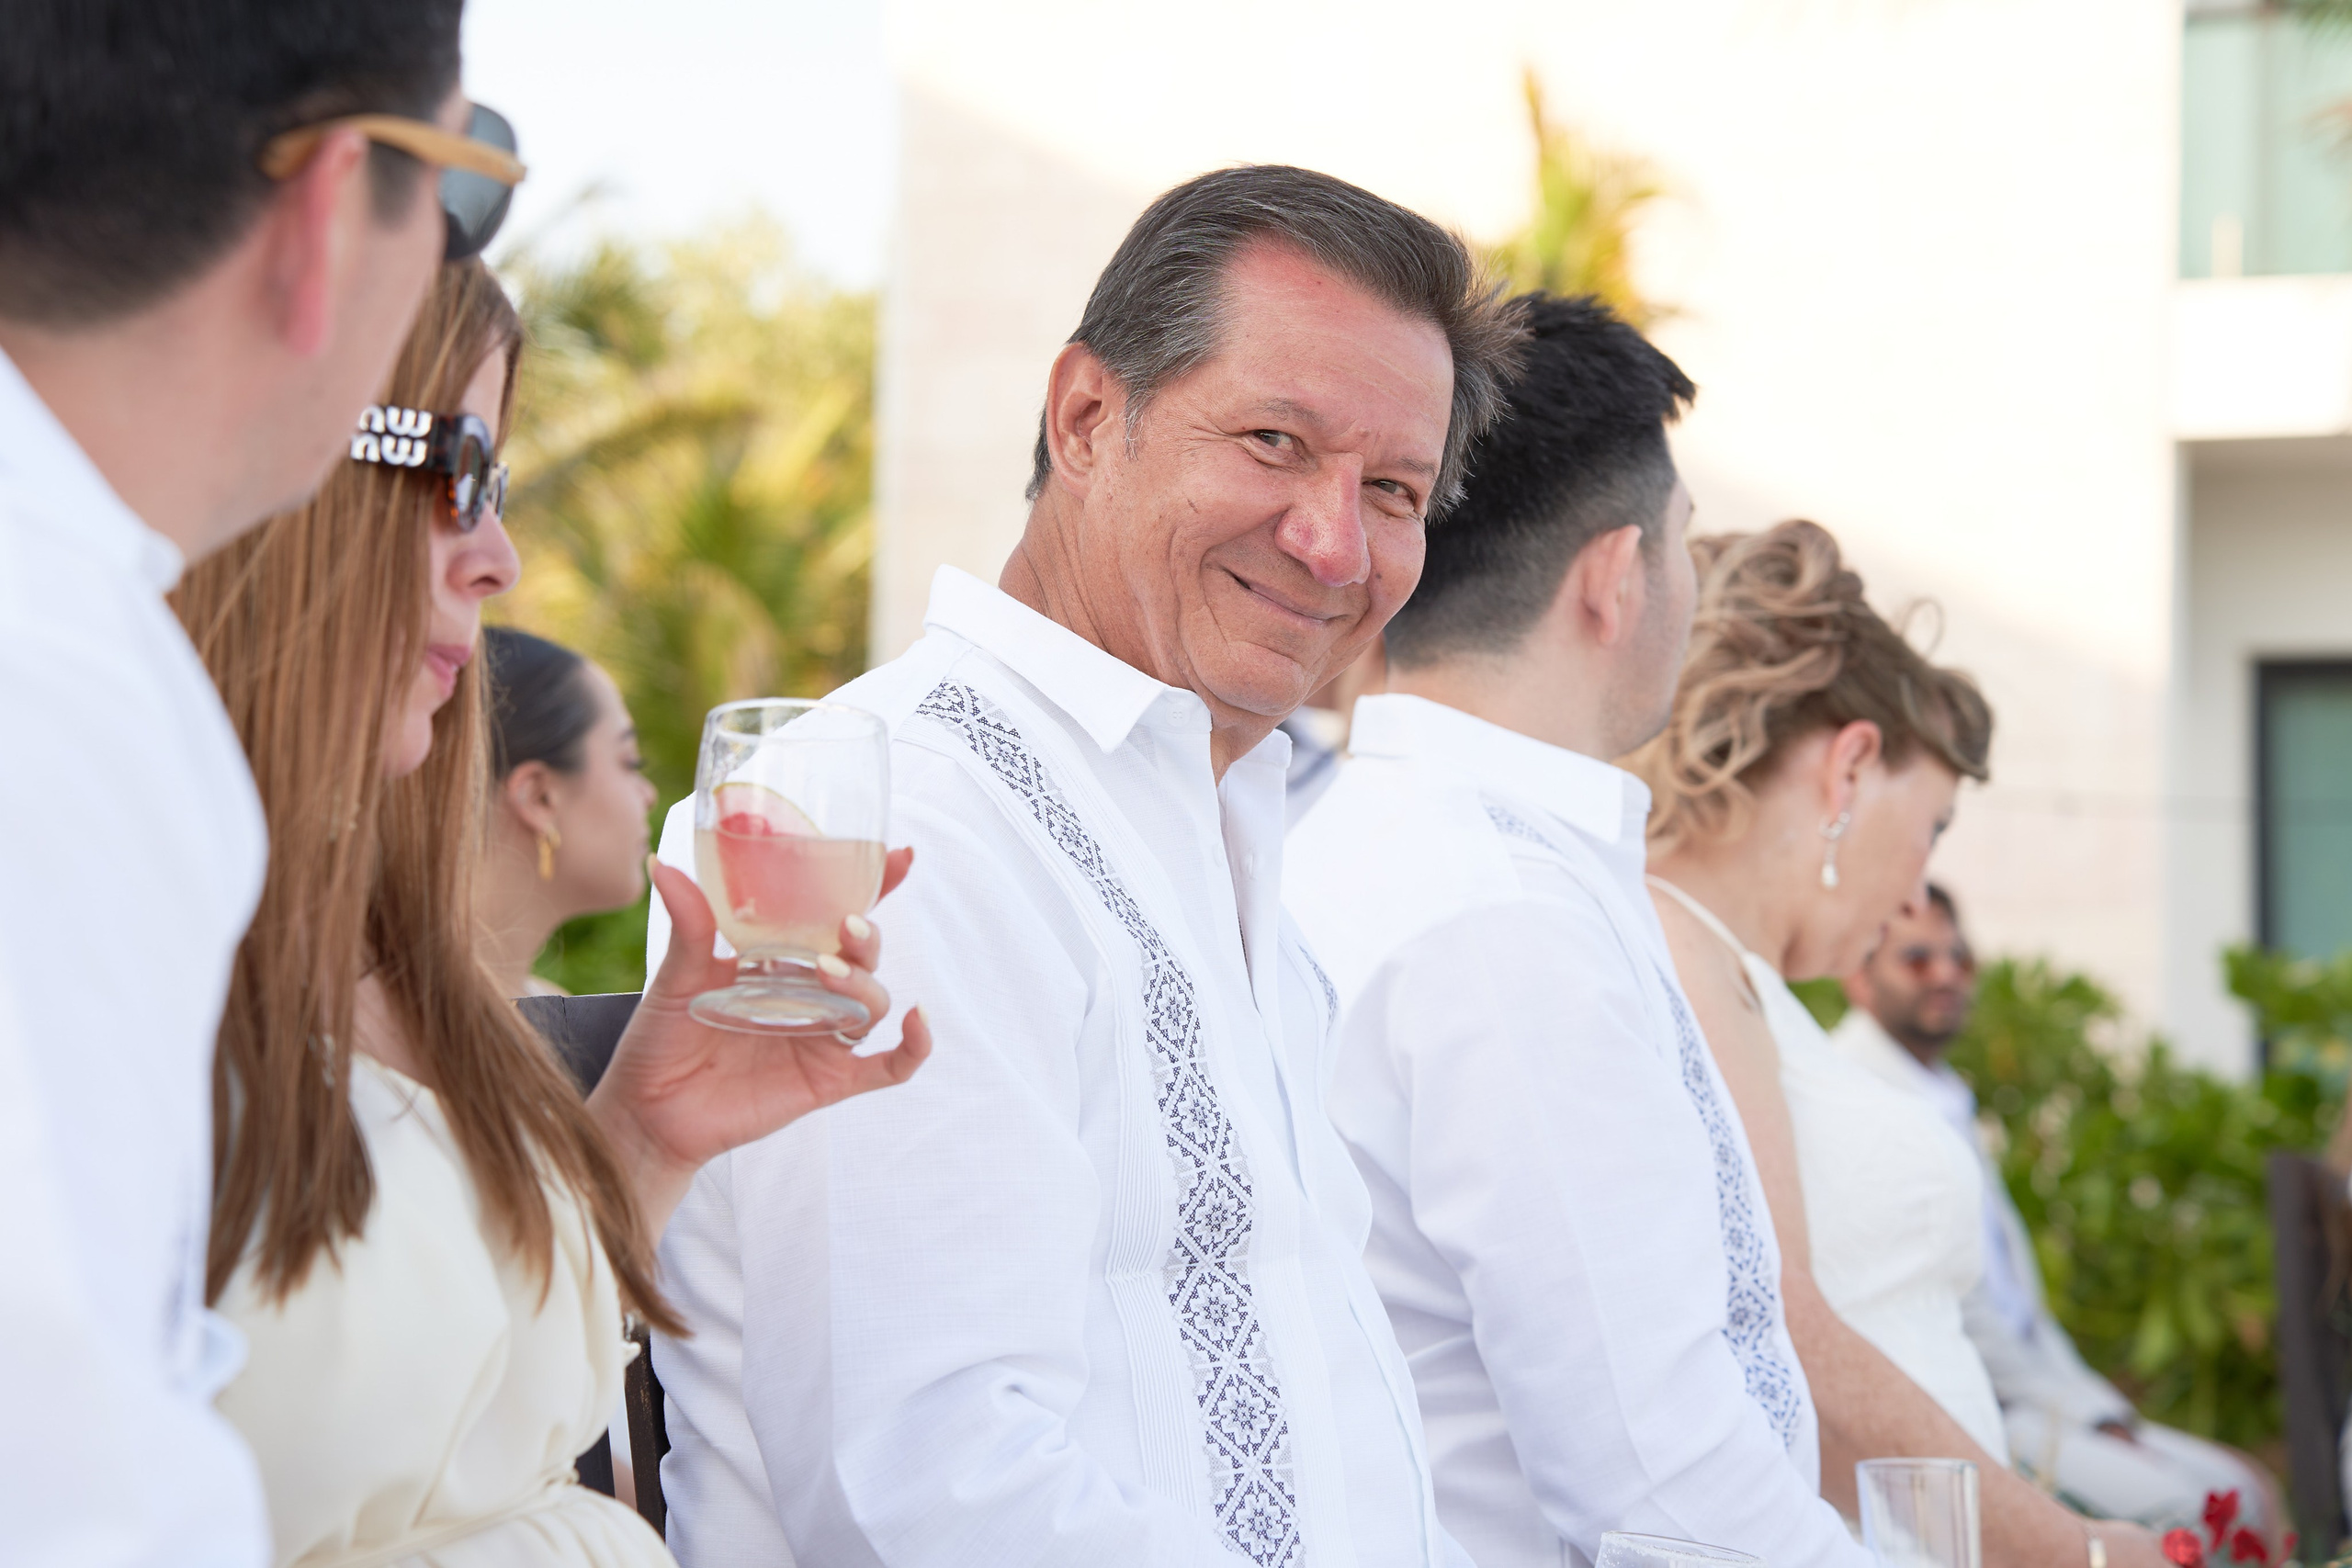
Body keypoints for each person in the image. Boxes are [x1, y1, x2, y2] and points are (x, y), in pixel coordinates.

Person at [643, 164, 1523, 1567]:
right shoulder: (877, 805)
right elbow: (919, 1481)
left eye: (1395, 488)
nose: (1334, 541)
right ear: (1088, 417)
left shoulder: (1226, 831)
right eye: (1276, 441)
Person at [175, 258, 930, 1565]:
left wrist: (643, 1135)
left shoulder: (378, 963)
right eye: (460, 467)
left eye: (502, 486)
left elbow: (472, 1391)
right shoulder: (98, 953)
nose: (501, 558)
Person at [0, 6, 514, 1560]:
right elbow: (78, 1494)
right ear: (322, 214)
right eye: (459, 198)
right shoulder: (69, 700)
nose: (497, 554)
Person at [1288, 293, 1875, 1568]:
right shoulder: (1505, 919)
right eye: (1687, 545)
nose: (1692, 584)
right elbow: (1664, 1483)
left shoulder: (1347, 840)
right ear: (1615, 577)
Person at [1633, 520, 2158, 1568]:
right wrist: (2075, 1550)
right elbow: (1784, 1333)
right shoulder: (1685, 949)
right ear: (1851, 771)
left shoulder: (1738, 972)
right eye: (1932, 827)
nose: (1919, 889)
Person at [1834, 887, 2278, 1536]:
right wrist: (2089, 1415)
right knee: (2190, 1517)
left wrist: (2100, 1410)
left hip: (2041, 1398)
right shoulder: (1857, 1094)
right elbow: (1959, 1313)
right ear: (1856, 975)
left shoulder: (1941, 1091)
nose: (1947, 974)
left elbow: (2020, 1313)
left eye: (1959, 956)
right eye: (1917, 958)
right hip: (1960, 1412)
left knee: (2245, 1490)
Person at [479, 626, 659, 999]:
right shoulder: (362, 1036)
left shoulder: (547, 1006)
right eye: (630, 762)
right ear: (539, 797)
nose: (650, 795)